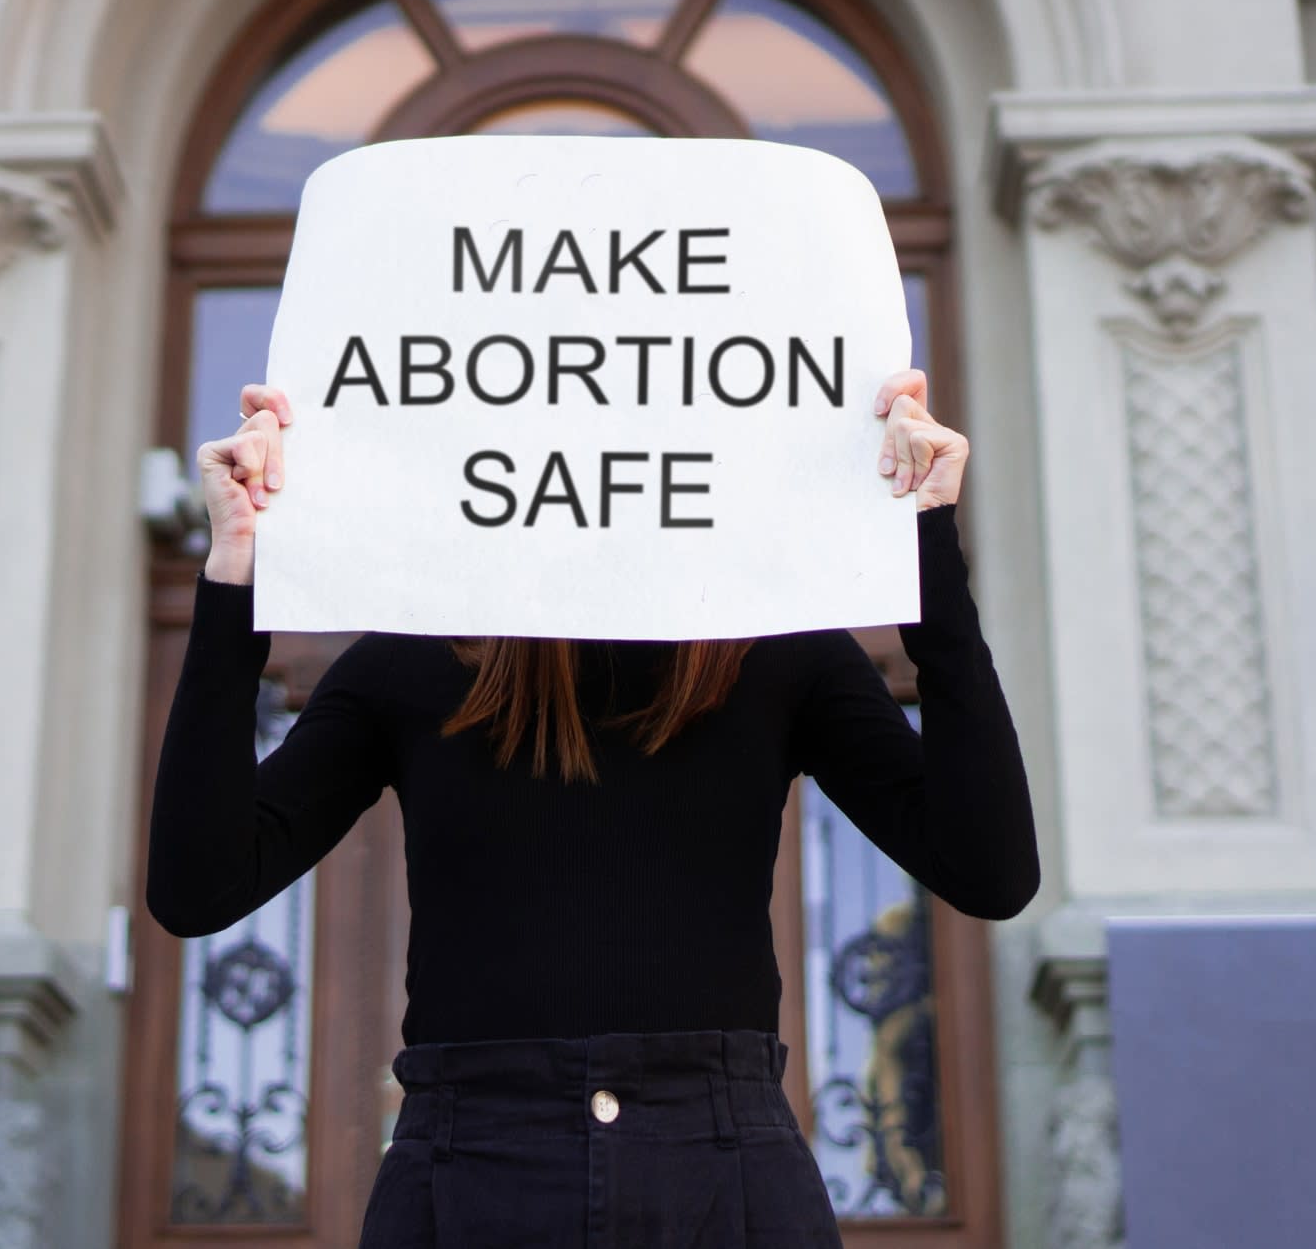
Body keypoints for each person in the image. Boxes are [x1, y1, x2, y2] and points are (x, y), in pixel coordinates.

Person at [146, 367, 1040, 1247]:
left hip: (711, 1172)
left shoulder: (780, 650)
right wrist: (236, 574)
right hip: (480, 1168)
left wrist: (921, 548)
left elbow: (989, 869)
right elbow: (199, 886)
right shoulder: (415, 656)